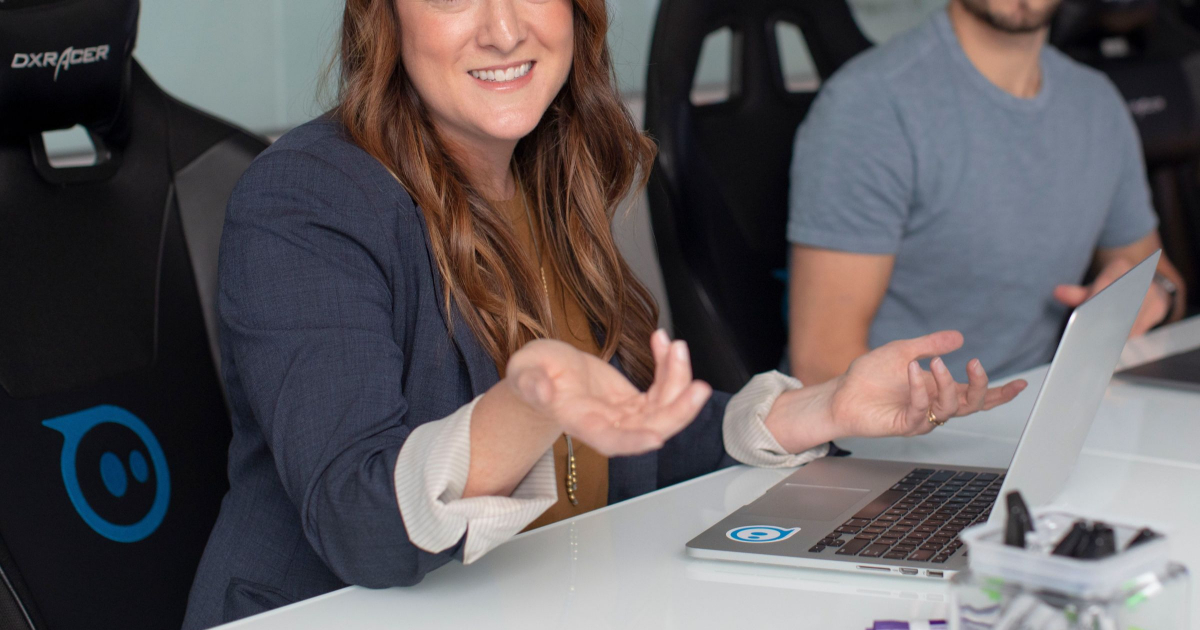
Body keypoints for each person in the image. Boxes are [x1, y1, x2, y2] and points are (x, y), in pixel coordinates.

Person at [181, 1, 1025, 627]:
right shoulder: (307, 199)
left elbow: (630, 440)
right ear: (384, 19)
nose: (504, 29)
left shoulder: (545, 172)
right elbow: (358, 523)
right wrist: (531, 403)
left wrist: (822, 407)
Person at [785, 0, 1187, 386]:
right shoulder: (869, 105)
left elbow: (1158, 275)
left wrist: (1156, 297)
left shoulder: (1097, 103)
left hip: (1043, 411)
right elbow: (820, 365)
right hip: (900, 434)